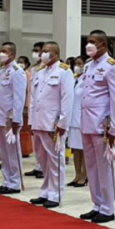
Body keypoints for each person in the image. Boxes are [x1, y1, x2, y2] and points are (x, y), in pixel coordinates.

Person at [80, 30, 115, 224]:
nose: (89, 45)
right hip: (86, 123)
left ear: (103, 45)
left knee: (103, 167)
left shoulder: (112, 67)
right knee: (91, 167)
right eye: (88, 41)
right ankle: (96, 204)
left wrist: (114, 129)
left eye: (93, 42)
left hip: (102, 125)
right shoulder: (89, 66)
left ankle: (107, 208)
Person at [28, 41, 74, 209]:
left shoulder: (64, 71)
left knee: (55, 160)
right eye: (42, 52)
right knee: (42, 159)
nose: (43, 55)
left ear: (56, 53)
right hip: (39, 122)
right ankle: (45, 191)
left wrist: (62, 122)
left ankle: (56, 194)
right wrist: (31, 121)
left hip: (53, 123)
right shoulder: (39, 71)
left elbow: (67, 99)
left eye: (46, 51)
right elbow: (34, 98)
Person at [0, 42, 27, 195]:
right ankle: (6, 180)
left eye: (4, 51)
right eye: (0, 51)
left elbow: (18, 98)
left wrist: (15, 120)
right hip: (0, 117)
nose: (1, 54)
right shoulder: (2, 71)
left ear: (12, 54)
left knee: (13, 151)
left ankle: (15, 182)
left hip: (10, 119)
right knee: (4, 153)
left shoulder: (17, 71)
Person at [67, 57, 88, 188]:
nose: (77, 66)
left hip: (83, 119)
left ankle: (85, 175)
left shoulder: (87, 80)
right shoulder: (74, 79)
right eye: (76, 64)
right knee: (75, 149)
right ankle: (77, 174)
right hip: (72, 119)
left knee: (84, 149)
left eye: (80, 64)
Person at [25, 42, 45, 177]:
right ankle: (38, 165)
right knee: (36, 141)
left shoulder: (48, 68)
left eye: (37, 51)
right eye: (34, 50)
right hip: (34, 108)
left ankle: (44, 167)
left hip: (44, 110)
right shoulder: (33, 69)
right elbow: (31, 92)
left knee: (45, 143)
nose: (35, 53)